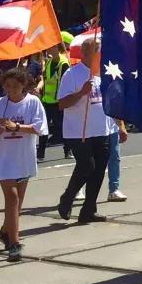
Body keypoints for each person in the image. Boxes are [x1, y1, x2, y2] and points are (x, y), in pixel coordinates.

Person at [0, 69, 49, 262]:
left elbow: (40, 128)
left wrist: (16, 127)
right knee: (12, 197)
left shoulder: (33, 102)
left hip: (24, 158)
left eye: (16, 86)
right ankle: (15, 243)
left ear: (24, 85)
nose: (11, 90)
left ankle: (5, 231)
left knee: (18, 203)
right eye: (8, 86)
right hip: (4, 159)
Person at [53, 35, 111, 225]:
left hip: (102, 129)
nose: (100, 54)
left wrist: (118, 125)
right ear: (86, 53)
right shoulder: (72, 74)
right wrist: (81, 93)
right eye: (97, 50)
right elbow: (62, 103)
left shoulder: (102, 73)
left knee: (99, 170)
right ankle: (67, 198)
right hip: (79, 131)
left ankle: (89, 210)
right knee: (87, 166)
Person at [37, 39, 69, 160]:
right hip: (47, 101)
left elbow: (65, 83)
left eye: (51, 47)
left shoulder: (64, 63)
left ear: (57, 48)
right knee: (43, 128)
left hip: (58, 102)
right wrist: (38, 87)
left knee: (62, 128)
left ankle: (68, 151)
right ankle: (40, 155)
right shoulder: (49, 62)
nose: (48, 49)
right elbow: (44, 79)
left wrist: (64, 99)